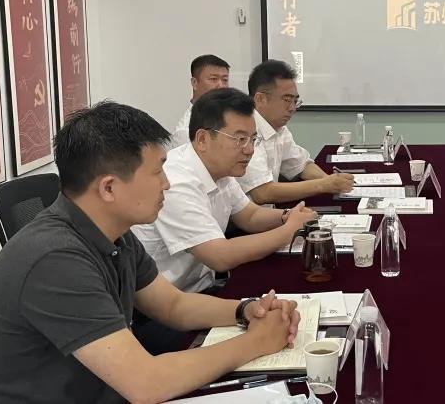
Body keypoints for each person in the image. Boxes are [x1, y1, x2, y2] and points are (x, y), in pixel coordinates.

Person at [0, 101, 301, 404]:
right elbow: (145, 384)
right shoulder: (55, 259)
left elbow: (174, 305)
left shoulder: (114, 232)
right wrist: (257, 342)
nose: (167, 183)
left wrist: (246, 310)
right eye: (157, 172)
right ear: (109, 188)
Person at [135, 88, 318, 294]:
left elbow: (250, 215)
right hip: (173, 299)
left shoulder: (220, 166)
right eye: (240, 139)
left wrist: (287, 216)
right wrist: (289, 230)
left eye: (253, 139)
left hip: (202, 285)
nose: (249, 150)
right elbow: (220, 256)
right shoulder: (176, 182)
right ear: (203, 139)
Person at [239, 59, 354, 204]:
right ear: (260, 99)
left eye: (295, 101)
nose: (292, 108)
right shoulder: (245, 132)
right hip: (248, 217)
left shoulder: (279, 128)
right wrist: (324, 184)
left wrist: (330, 180)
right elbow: (262, 193)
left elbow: (301, 165)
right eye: (287, 100)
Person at [171, 54, 231, 148]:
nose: (221, 85)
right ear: (194, 83)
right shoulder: (186, 132)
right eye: (213, 79)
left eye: (225, 80)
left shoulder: (231, 119)